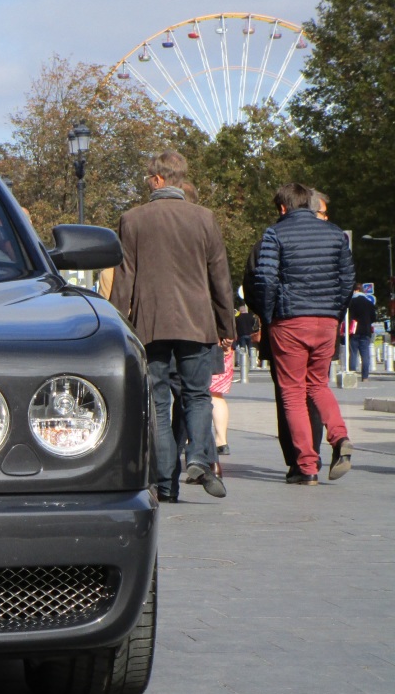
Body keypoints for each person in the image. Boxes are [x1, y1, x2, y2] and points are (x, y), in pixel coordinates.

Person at [109, 151, 235, 501]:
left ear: (158, 180)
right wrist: (227, 325)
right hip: (197, 322)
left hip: (151, 324)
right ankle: (198, 458)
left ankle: (165, 483)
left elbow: (124, 280)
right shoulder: (204, 218)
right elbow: (219, 277)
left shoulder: (133, 219)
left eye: (149, 176)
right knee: (198, 396)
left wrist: (116, 325)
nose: (147, 181)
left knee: (158, 403)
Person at [252, 183, 355, 485]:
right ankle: (339, 437)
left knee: (293, 394)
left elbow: (266, 279)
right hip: (326, 321)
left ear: (283, 208)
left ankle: (307, 466)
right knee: (318, 385)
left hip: (290, 320)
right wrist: (335, 311)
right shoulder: (336, 234)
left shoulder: (275, 234)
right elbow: (348, 278)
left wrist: (270, 316)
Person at [346, 282, 377, 381]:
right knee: (365, 354)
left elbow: (347, 317)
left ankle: (352, 375)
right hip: (366, 331)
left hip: (353, 331)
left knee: (353, 353)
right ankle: (365, 377)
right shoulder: (369, 303)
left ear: (355, 290)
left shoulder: (350, 302)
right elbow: (373, 317)